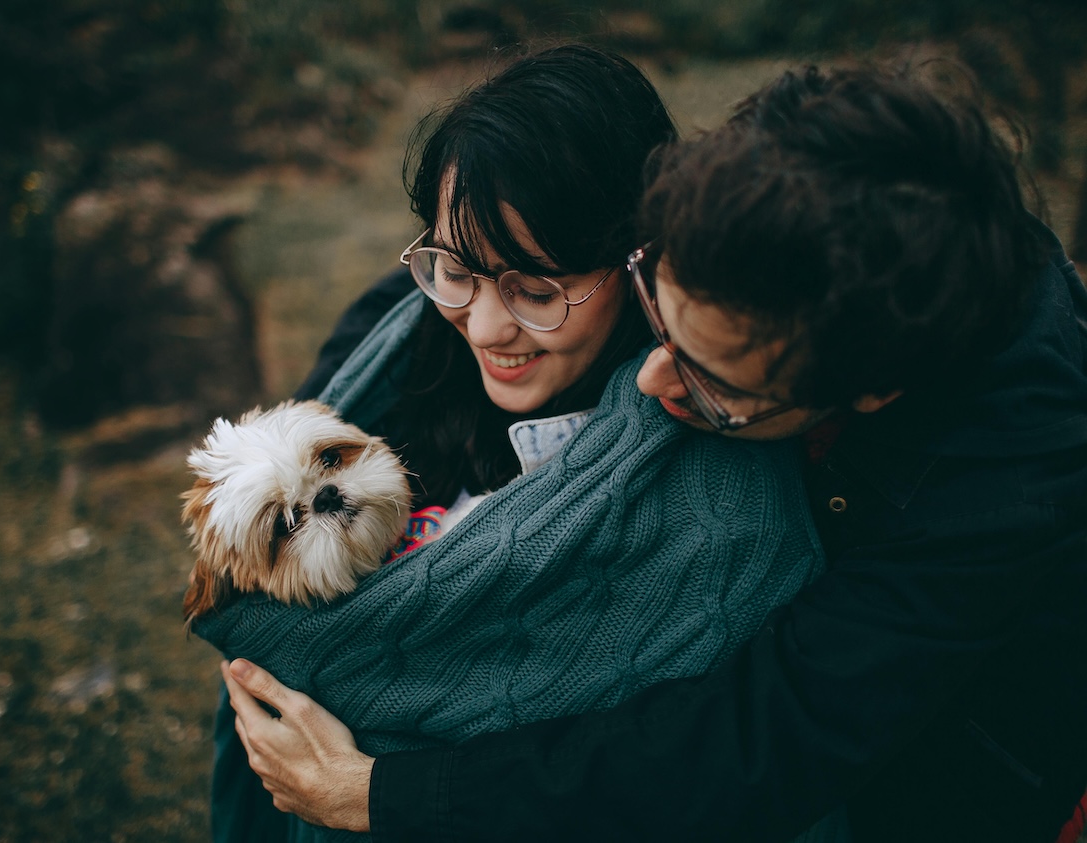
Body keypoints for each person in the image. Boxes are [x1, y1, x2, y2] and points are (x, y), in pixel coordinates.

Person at [220, 60, 1087, 842]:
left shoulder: (1005, 480)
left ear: (868, 393)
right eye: (657, 319)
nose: (652, 385)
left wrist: (390, 794)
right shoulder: (755, 198)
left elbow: (771, 733)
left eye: (718, 384)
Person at [198, 45, 835, 842]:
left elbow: (707, 763)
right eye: (455, 269)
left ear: (637, 258)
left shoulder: (724, 493)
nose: (488, 327)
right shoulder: (394, 343)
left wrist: (376, 788)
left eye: (537, 290)